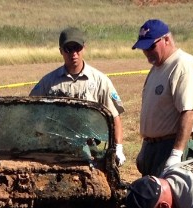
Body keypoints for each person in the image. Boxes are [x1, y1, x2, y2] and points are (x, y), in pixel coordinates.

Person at [30, 27, 127, 165]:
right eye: (68, 49)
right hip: (54, 149)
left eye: (77, 48)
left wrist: (118, 148)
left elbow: (114, 116)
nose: (73, 54)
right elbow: (30, 111)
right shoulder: (48, 82)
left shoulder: (100, 81)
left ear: (84, 48)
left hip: (90, 149)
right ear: (61, 51)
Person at [132, 19, 193, 178]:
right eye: (143, 48)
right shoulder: (158, 67)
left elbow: (188, 112)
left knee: (167, 201)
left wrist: (176, 153)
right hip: (154, 148)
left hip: (170, 146)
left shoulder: (182, 65)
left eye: (151, 46)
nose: (147, 52)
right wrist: (147, 145)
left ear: (166, 40)